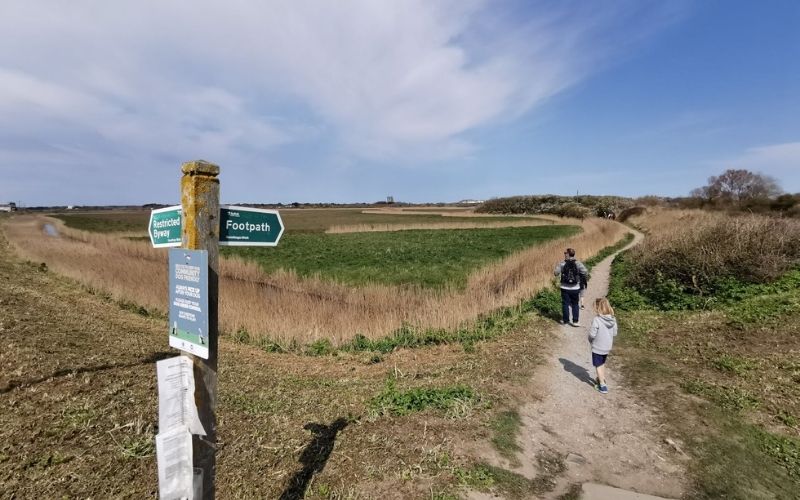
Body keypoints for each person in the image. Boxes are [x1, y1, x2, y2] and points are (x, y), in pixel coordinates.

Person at [588, 297, 618, 394]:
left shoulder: (597, 320)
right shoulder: (613, 319)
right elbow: (614, 333)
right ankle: (602, 378)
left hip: (598, 347)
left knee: (598, 365)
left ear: (598, 308)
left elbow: (592, 334)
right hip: (607, 347)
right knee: (602, 363)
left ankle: (602, 385)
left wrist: (590, 340)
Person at [553, 248, 588, 326]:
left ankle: (566, 321)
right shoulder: (578, 263)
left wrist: (557, 268)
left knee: (565, 304)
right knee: (575, 304)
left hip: (564, 288)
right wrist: (579, 276)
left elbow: (555, 273)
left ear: (568, 254)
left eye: (565, 253)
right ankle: (575, 321)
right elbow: (585, 272)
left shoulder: (562, 263)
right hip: (575, 287)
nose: (564, 254)